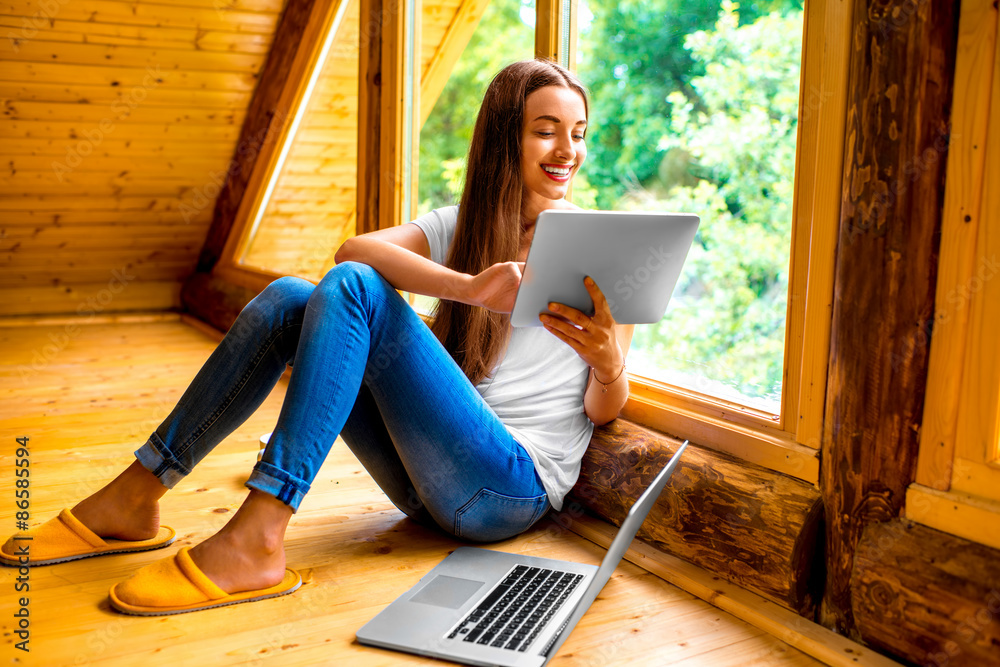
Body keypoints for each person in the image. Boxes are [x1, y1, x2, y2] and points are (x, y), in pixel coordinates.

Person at [1, 58, 634, 615]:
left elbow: (604, 410)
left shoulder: (600, 249)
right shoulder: (461, 227)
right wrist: (470, 287)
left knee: (355, 287)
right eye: (545, 131)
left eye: (576, 134)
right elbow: (351, 249)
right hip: (428, 483)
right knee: (289, 299)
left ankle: (259, 532)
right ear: (504, 140)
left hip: (508, 490)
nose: (566, 151)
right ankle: (139, 494)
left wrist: (607, 363)